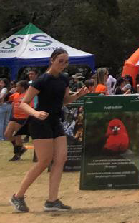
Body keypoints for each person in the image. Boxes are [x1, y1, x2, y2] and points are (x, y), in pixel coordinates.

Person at [10, 48, 89, 213]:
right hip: (40, 122)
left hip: (55, 120)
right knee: (44, 161)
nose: (63, 65)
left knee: (61, 158)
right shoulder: (41, 80)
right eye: (60, 61)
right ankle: (18, 196)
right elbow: (24, 103)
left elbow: (65, 100)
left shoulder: (64, 79)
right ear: (51, 60)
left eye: (66, 62)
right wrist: (36, 113)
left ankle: (52, 201)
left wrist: (78, 95)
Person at [5, 80, 32, 161]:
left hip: (23, 117)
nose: (15, 87)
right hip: (15, 116)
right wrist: (9, 92)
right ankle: (22, 148)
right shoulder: (15, 94)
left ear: (22, 87)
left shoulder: (28, 95)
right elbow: (8, 99)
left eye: (17, 86)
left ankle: (17, 154)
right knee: (7, 134)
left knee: (17, 136)